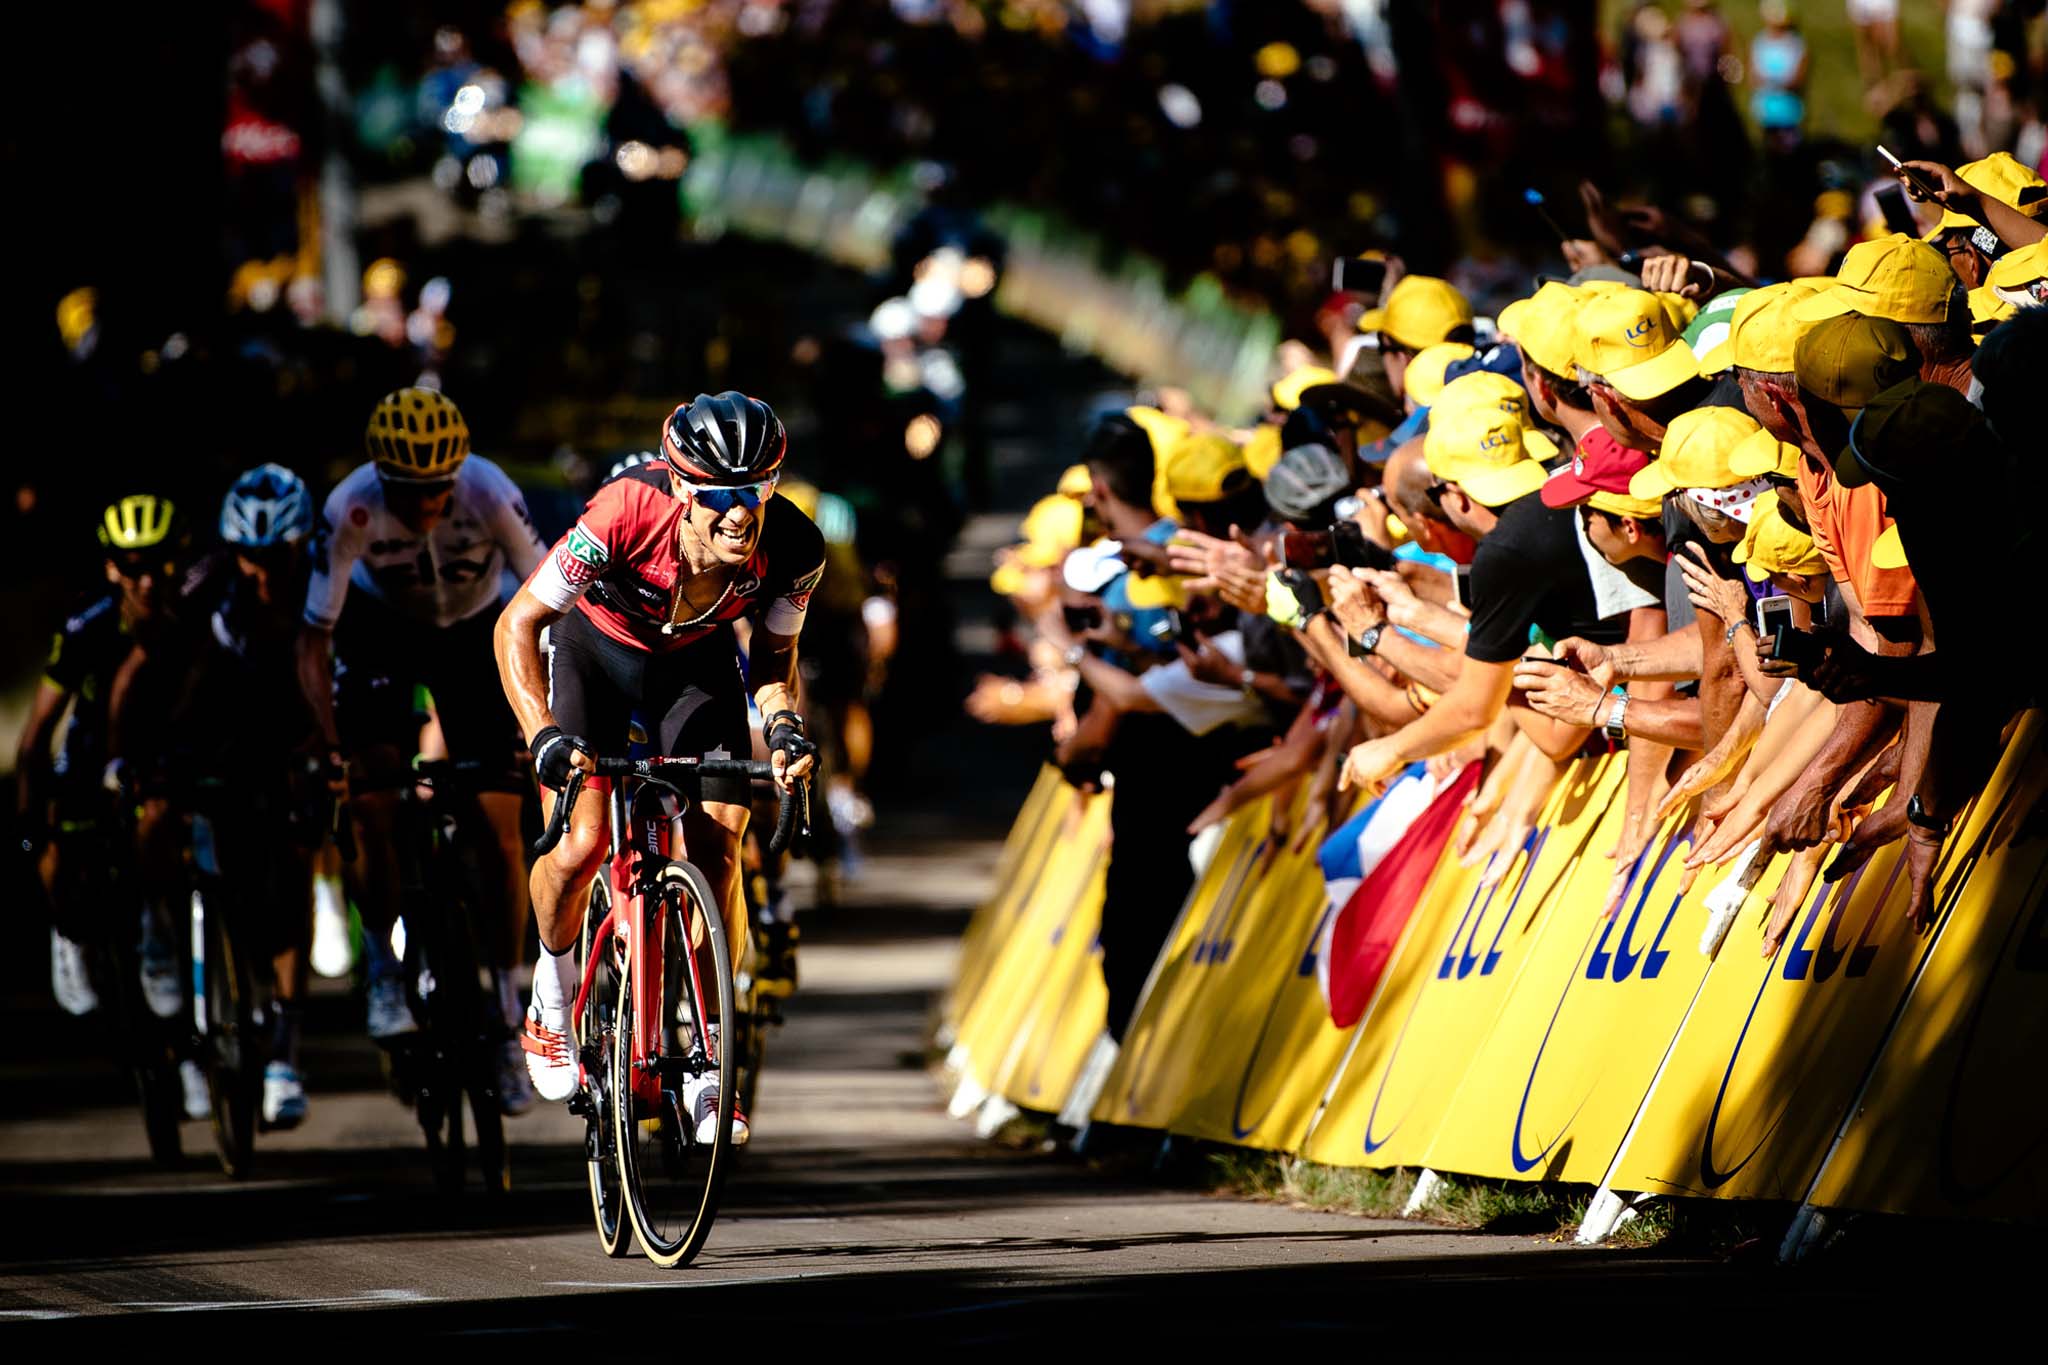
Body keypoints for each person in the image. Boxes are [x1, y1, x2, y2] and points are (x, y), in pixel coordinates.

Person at [494, 391, 823, 1144]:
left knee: (719, 846)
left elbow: (774, 660)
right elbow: (519, 622)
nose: (741, 513)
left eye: (758, 489)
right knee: (580, 843)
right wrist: (542, 733)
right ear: (681, 486)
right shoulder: (623, 512)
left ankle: (709, 1055)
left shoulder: (795, 548)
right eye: (720, 495)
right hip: (594, 652)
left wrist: (783, 728)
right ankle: (551, 993)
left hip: (693, 664)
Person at [296, 386, 548, 1113]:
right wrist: (331, 743)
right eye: (409, 490)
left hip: (474, 633)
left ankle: (508, 1013)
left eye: (438, 488)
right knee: (371, 799)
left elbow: (552, 603)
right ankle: (381, 964)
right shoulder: (350, 506)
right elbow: (314, 639)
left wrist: (542, 721)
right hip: (381, 630)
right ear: (382, 479)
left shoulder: (490, 490)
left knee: (500, 825)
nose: (427, 504)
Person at [120, 467, 325, 1127]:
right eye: (249, 557)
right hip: (210, 733)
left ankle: (285, 1051)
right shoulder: (204, 583)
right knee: (159, 822)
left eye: (276, 557)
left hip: (287, 733)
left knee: (294, 865)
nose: (262, 571)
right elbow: (143, 673)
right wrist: (129, 758)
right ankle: (162, 933)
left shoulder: (325, 579)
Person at [19, 495, 191, 1022]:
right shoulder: (85, 627)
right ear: (113, 569)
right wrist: (30, 820)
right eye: (134, 568)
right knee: (55, 835)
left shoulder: (196, 617)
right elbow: (37, 733)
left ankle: (161, 926)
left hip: (167, 746)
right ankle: (67, 934)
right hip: (92, 753)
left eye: (160, 565)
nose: (148, 582)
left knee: (161, 820)